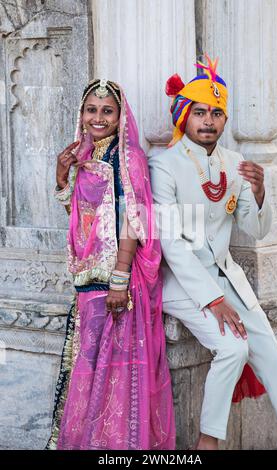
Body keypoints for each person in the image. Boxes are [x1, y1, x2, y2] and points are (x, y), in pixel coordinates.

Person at [148, 55, 277, 450]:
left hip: (228, 276)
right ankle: (207, 443)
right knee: (233, 347)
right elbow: (171, 243)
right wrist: (213, 300)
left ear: (225, 121)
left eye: (216, 113)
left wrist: (262, 193)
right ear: (184, 116)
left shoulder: (235, 164)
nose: (209, 121)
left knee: (273, 358)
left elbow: (256, 228)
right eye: (200, 112)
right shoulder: (163, 165)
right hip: (181, 283)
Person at [47, 79, 175, 450]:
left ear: (120, 116)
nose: (98, 117)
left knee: (115, 375)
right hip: (87, 281)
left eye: (107, 110)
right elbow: (83, 220)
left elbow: (132, 217)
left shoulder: (128, 157)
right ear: (81, 114)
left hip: (116, 283)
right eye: (91, 109)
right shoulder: (86, 156)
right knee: (89, 369)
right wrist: (62, 177)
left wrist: (120, 278)